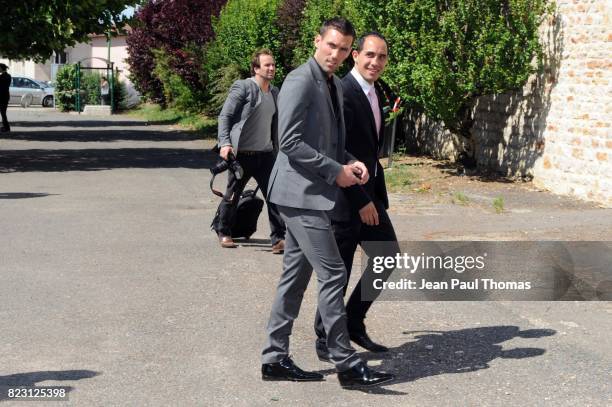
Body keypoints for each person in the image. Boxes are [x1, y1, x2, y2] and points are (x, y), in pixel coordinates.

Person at [261, 18, 394, 388]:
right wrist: (335, 170)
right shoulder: (299, 80)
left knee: (294, 278)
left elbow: (331, 142)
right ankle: (346, 363)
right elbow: (288, 141)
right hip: (298, 194)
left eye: (343, 48)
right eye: (331, 45)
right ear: (317, 41)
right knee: (334, 272)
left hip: (314, 193)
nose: (336, 54)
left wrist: (348, 162)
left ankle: (274, 358)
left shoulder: (332, 83)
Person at [314, 32, 400, 358]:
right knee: (340, 271)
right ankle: (325, 338)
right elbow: (334, 149)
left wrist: (372, 195)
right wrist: (360, 199)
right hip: (344, 197)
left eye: (381, 57)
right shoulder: (341, 91)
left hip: (369, 194)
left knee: (387, 254)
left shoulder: (374, 91)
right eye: (369, 55)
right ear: (355, 55)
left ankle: (352, 321)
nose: (375, 62)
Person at [215, 49, 286, 252]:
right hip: (242, 155)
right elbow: (225, 116)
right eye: (267, 65)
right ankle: (224, 231)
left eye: (273, 64)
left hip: (266, 155)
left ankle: (278, 239)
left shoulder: (274, 92)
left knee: (275, 195)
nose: (272, 68)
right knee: (232, 195)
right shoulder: (244, 87)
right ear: (256, 68)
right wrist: (225, 143)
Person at [0, 63, 11, 133]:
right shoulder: (8, 76)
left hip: (2, 96)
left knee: (3, 112)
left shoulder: (2, 76)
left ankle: (6, 128)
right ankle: (5, 127)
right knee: (3, 112)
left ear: (1, 68)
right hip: (5, 96)